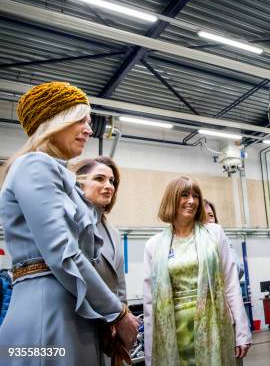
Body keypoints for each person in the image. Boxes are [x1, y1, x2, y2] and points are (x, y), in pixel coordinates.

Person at [0, 82, 139, 365]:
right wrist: (118, 312)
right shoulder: (34, 166)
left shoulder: (61, 178)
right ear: (54, 119)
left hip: (72, 309)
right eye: (81, 120)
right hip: (48, 312)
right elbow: (63, 251)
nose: (89, 129)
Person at [143, 176, 251, 365]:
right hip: (175, 332)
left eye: (196, 196)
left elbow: (231, 283)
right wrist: (151, 353)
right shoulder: (153, 245)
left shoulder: (215, 233)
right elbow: (150, 302)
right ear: (172, 199)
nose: (191, 201)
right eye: (184, 195)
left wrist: (242, 332)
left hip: (214, 326)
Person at [73, 156, 128, 366]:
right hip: (81, 323)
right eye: (100, 179)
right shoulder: (72, 223)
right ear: (79, 183)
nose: (108, 186)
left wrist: (121, 321)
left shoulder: (113, 233)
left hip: (111, 331)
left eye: (112, 181)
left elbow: (119, 286)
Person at [204, 199, 245, 280]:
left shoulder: (223, 240)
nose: (208, 220)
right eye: (202, 216)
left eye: (211, 216)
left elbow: (238, 269)